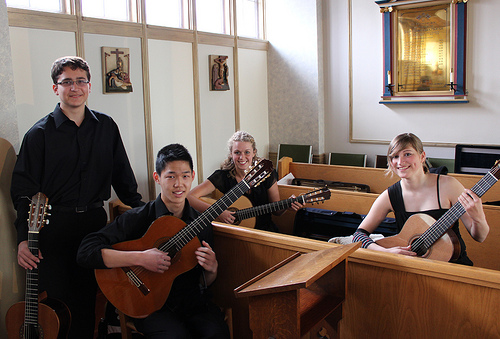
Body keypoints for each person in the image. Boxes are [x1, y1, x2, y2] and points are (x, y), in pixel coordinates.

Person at [10, 56, 144, 338]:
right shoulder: (39, 135)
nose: (75, 87)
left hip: (95, 226)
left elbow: (124, 179)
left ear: (90, 85)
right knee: (59, 305)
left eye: (80, 81)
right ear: (55, 88)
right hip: (53, 228)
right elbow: (23, 191)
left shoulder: (106, 127)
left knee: (90, 300)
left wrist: (147, 213)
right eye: (67, 82)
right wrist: (24, 237)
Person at [77, 143, 230, 339]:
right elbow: (86, 252)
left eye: (184, 176)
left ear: (192, 177)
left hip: (192, 303)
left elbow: (202, 282)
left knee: (217, 334)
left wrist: (212, 270)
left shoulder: (201, 224)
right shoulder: (138, 218)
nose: (178, 184)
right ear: (157, 178)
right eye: (171, 176)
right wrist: (140, 258)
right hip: (149, 304)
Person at [352, 133, 489, 265]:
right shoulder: (390, 196)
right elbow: (358, 236)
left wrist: (479, 217)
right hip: (413, 268)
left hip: (453, 266)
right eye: (395, 156)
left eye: (407, 154)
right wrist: (385, 251)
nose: (400, 162)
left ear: (422, 156)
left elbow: (480, 237)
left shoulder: (449, 186)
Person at [188, 130, 303, 232]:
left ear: (254, 153)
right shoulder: (222, 176)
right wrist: (218, 212)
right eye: (237, 152)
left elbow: (276, 211)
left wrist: (287, 206)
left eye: (247, 152)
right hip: (236, 234)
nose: (242, 157)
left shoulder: (266, 174)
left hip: (264, 233)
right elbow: (189, 197)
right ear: (231, 154)